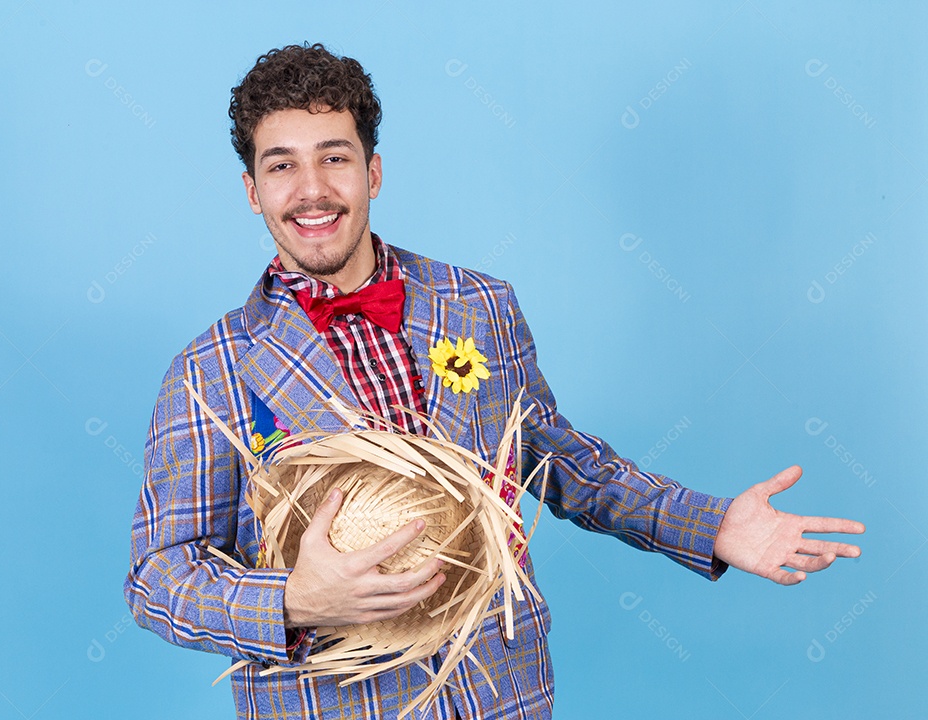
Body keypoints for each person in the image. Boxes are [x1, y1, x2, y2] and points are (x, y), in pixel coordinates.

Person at [123, 43, 865, 720]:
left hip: (502, 693)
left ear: (373, 171)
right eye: (282, 165)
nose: (312, 190)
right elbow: (158, 579)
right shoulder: (211, 370)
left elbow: (557, 460)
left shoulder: (478, 305)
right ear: (252, 190)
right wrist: (291, 598)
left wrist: (708, 525)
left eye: (335, 158)